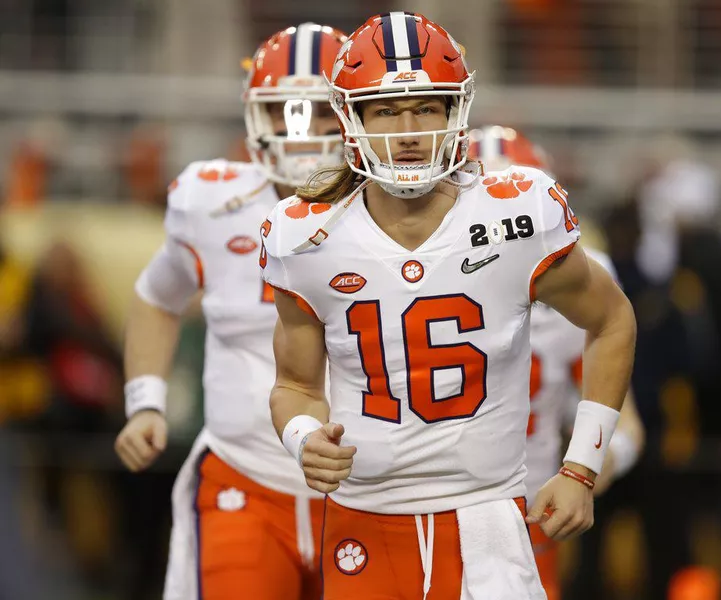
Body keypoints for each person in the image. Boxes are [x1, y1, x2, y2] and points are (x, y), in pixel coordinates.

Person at [262, 13, 636, 600]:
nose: (408, 129)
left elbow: (612, 321)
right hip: (365, 518)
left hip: (487, 515)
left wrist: (579, 468)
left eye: (427, 106)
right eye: (386, 110)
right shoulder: (304, 237)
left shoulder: (517, 216)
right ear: (352, 117)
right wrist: (303, 436)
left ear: (455, 112)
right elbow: (295, 386)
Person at [114, 23, 347, 600]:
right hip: (243, 477)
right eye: (290, 115)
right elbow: (156, 296)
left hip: (368, 492)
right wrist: (145, 400)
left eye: (326, 116)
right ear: (256, 118)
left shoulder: (394, 208)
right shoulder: (210, 202)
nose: (308, 137)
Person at [470, 125, 645, 600]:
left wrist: (591, 463)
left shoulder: (579, 278)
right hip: (428, 505)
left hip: (527, 511)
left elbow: (625, 423)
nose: (499, 222)